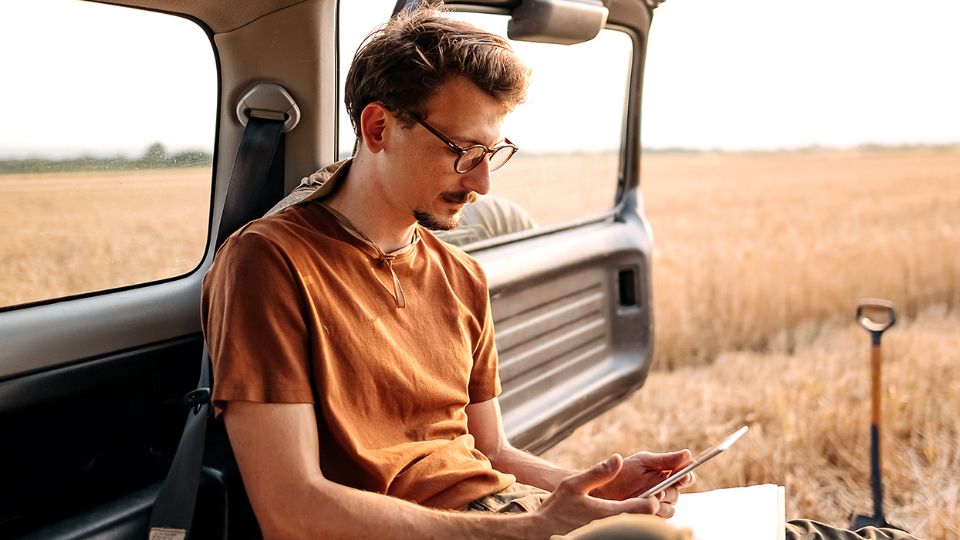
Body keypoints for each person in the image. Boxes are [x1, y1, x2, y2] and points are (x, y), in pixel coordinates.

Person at [201, 4, 922, 540]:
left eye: (495, 153)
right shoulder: (270, 263)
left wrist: (598, 492)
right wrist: (530, 530)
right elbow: (292, 509)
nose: (483, 184)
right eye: (463, 151)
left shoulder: (458, 278)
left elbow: (488, 452)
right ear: (379, 127)